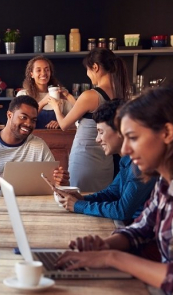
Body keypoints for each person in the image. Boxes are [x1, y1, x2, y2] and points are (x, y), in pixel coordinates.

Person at [56, 85, 173, 295]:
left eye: (133, 138)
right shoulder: (168, 181)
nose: (125, 149)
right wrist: (105, 245)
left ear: (167, 133)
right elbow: (141, 229)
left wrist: (112, 257)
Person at [57, 99, 156, 222]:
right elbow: (112, 193)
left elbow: (122, 210)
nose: (97, 139)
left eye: (100, 132)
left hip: (138, 233)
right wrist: (82, 199)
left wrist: (78, 206)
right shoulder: (127, 161)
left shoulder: (140, 165)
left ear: (121, 131)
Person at [52, 48, 131, 192]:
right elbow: (90, 114)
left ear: (95, 67)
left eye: (88, 70)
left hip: (85, 158)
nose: (88, 74)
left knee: (79, 200)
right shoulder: (118, 93)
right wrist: (69, 97)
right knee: (100, 201)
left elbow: (63, 125)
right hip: (105, 162)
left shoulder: (90, 95)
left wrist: (55, 106)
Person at [16, 56, 75, 129]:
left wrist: (61, 123)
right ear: (31, 74)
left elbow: (75, 124)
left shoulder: (61, 93)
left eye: (47, 70)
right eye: (38, 70)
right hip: (31, 139)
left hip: (56, 139)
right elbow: (20, 122)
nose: (43, 73)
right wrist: (44, 101)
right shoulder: (23, 95)